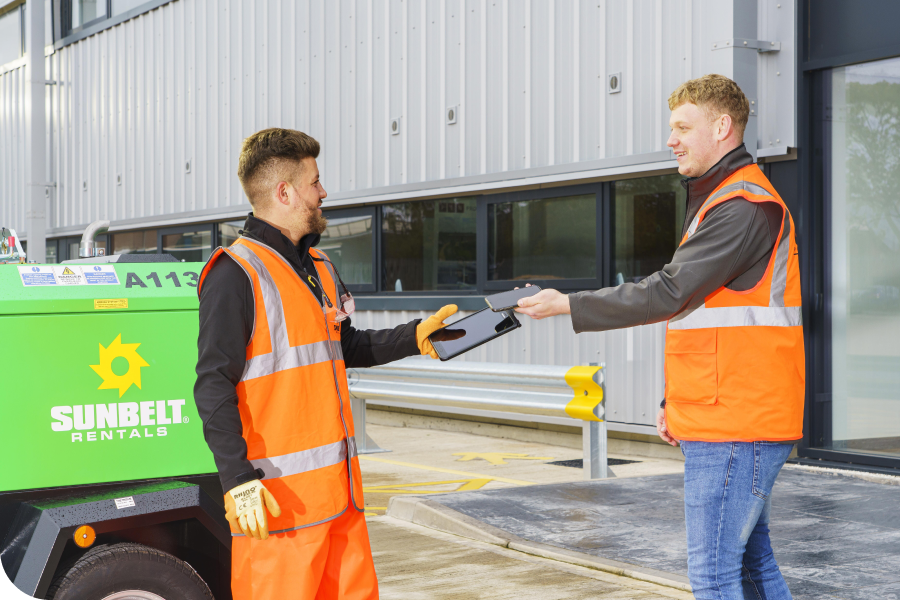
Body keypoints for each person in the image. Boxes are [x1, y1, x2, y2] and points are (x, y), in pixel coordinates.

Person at [515, 74, 803, 600]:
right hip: (728, 414)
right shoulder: (724, 201)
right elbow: (704, 315)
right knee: (751, 568)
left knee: (714, 575)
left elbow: (668, 293)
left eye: (681, 127)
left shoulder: (742, 206)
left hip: (737, 422)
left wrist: (569, 305)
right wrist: (678, 400)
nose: (671, 139)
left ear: (722, 127)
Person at [194, 127, 457, 600]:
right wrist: (237, 482)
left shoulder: (319, 267)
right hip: (279, 515)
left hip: (341, 507)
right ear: (284, 192)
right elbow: (212, 384)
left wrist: (416, 337)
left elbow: (345, 346)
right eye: (315, 182)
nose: (324, 191)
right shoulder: (235, 274)